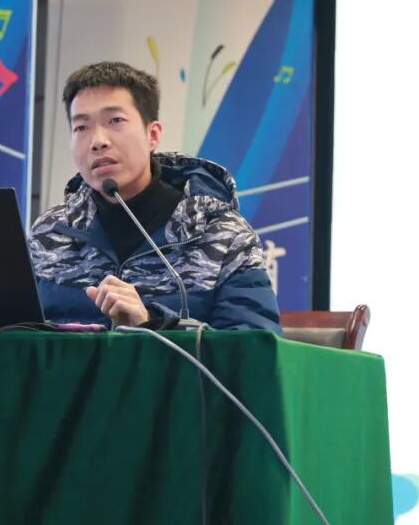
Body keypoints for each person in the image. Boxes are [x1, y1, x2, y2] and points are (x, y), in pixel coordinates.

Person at [29, 61, 281, 331]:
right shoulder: (50, 234)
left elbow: (254, 345)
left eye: (115, 121)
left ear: (152, 135)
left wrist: (153, 324)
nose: (98, 141)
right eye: (81, 127)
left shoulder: (223, 235)